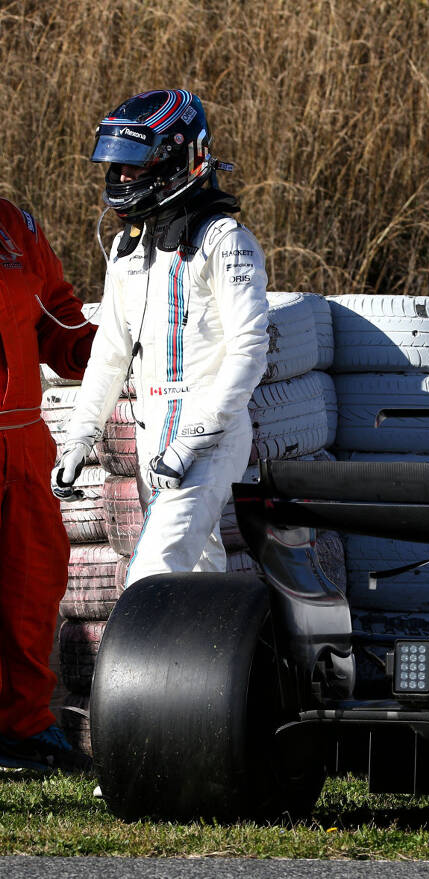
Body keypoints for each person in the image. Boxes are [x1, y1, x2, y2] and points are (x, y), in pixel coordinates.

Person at [54, 89, 269, 588]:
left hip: (209, 439)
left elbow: (249, 349)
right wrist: (78, 437)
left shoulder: (225, 240)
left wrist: (194, 436)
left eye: (133, 167)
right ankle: (227, 662)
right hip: (153, 436)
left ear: (175, 162)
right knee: (198, 580)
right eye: (117, 168)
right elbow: (108, 355)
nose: (121, 179)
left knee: (150, 580)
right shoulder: (127, 248)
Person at [0, 197, 96, 772]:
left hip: (23, 439)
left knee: (30, 589)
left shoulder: (15, 225)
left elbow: (56, 314)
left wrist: (104, 350)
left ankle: (25, 728)